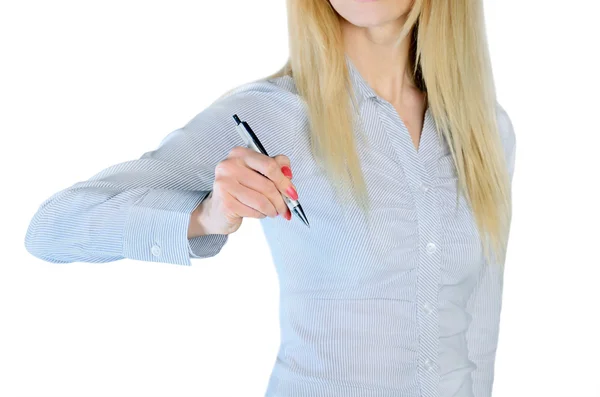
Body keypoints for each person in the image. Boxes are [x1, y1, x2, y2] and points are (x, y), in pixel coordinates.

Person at [24, 0, 516, 396]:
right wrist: (203, 216)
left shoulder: (485, 131)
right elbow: (50, 228)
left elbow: (480, 329)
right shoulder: (270, 117)